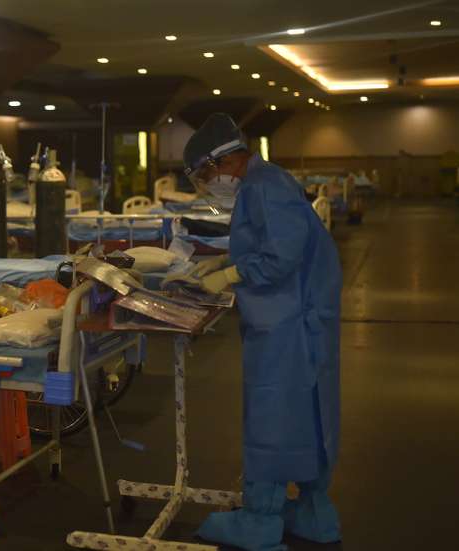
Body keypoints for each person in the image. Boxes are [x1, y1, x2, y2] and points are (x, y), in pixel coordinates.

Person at [182, 114, 342, 551]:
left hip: (286, 324)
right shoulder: (267, 182)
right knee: (307, 414)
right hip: (300, 320)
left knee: (273, 417)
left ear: (223, 162)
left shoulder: (263, 185)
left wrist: (232, 273)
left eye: (205, 175)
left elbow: (280, 256)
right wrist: (223, 260)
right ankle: (314, 512)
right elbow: (273, 241)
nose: (208, 184)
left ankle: (260, 521)